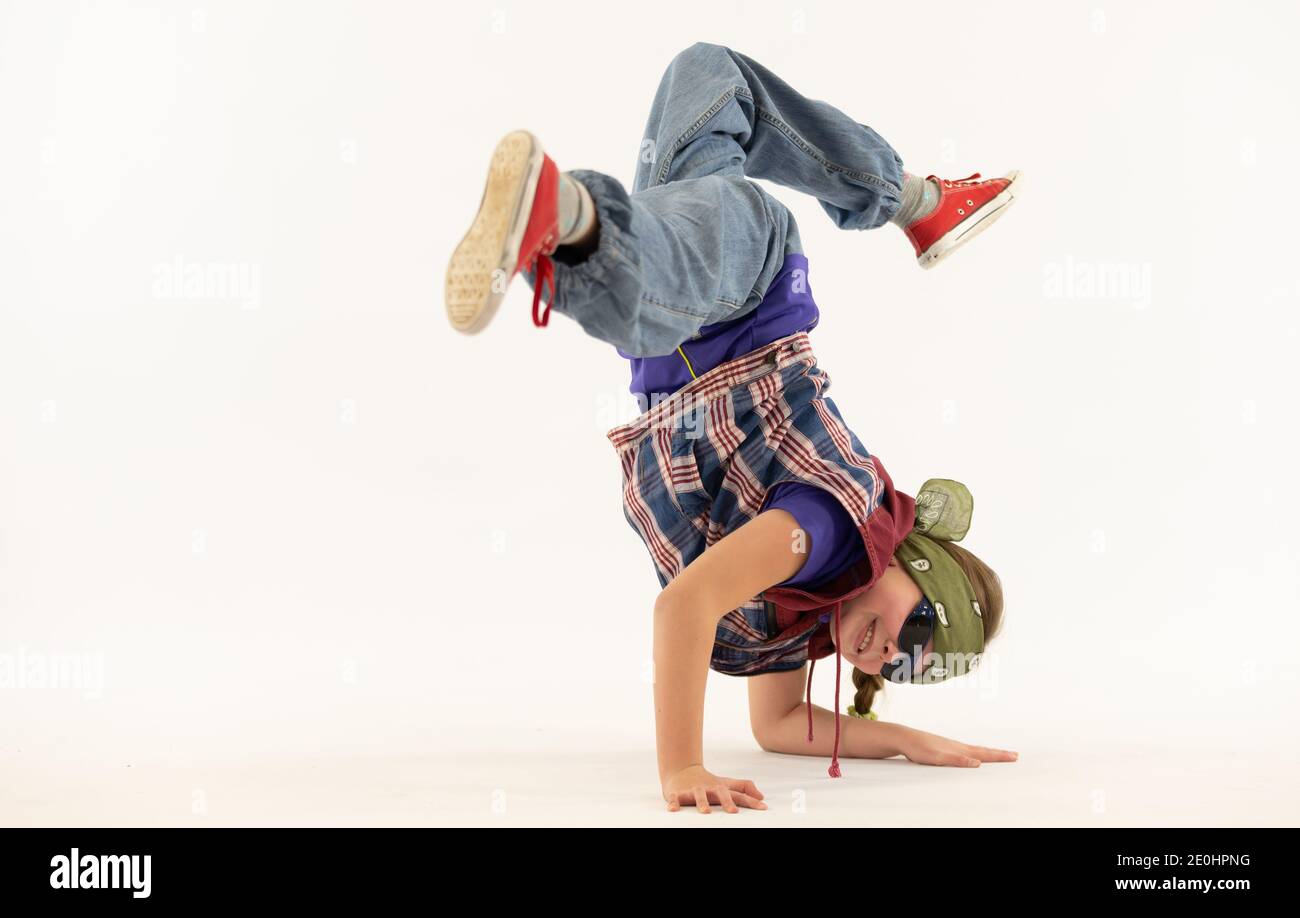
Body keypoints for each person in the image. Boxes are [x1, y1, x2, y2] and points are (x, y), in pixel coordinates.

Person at [445, 43, 1020, 815]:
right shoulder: (831, 532)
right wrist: (681, 768)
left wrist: (908, 741)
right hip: (744, 282)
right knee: (649, 268)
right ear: (910, 562)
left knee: (706, 75)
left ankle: (919, 204)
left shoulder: (801, 623)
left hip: (676, 325)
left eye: (910, 667)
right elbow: (685, 606)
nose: (890, 653)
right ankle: (562, 218)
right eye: (917, 624)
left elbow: (779, 726)